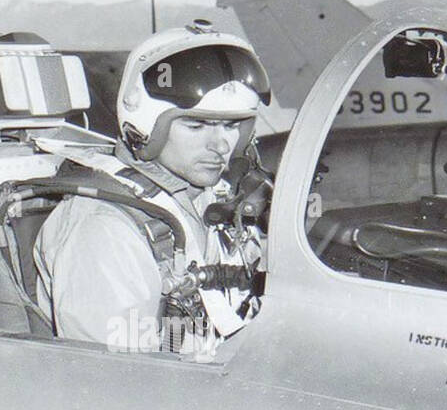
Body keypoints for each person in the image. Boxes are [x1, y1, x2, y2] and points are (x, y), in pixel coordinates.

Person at [33, 21, 271, 357]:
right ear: (148, 127)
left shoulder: (207, 198)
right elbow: (117, 377)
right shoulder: (105, 230)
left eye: (232, 126)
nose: (221, 145)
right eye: (197, 125)